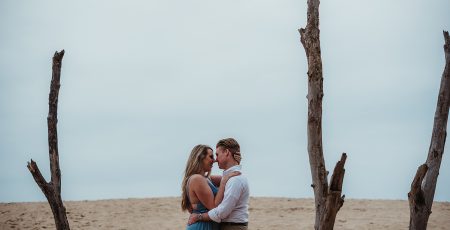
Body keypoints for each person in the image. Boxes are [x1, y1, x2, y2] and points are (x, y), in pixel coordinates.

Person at [188, 138, 250, 230]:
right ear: (201, 158)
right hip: (207, 226)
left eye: (216, 155)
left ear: (227, 152)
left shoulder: (234, 179)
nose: (215, 160)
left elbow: (222, 212)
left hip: (231, 227)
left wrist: (199, 216)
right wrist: (234, 165)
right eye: (212, 156)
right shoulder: (228, 179)